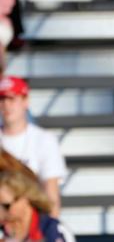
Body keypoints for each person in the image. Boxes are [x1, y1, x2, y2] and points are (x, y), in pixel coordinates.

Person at [0, 76, 67, 218]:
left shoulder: (44, 140)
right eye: (2, 99)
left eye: (12, 98)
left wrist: (50, 228)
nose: (6, 104)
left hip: (33, 222)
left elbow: (51, 195)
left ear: (26, 101)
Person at [0, 171, 74, 242]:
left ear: (25, 198)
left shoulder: (54, 229)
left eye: (6, 206)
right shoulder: (3, 230)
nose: (1, 212)